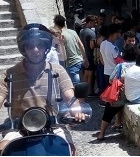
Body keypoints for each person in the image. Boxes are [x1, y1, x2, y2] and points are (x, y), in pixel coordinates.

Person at [0, 24, 86, 153]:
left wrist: (76, 110)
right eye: (30, 46)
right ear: (23, 48)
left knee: (71, 151)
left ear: (46, 47)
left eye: (40, 45)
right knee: (2, 150)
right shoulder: (9, 75)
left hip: (53, 125)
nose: (35, 49)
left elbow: (70, 97)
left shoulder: (57, 70)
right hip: (19, 128)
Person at [96, 44, 137, 140]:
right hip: (134, 95)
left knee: (108, 112)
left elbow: (111, 79)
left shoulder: (120, 66)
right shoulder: (139, 66)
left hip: (119, 96)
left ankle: (101, 134)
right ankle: (118, 123)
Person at [53, 14, 88, 84]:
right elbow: (81, 45)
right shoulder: (72, 32)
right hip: (80, 60)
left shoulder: (60, 36)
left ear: (56, 25)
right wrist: (85, 58)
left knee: (76, 86)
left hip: (71, 63)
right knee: (81, 83)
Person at [79, 15, 98, 95]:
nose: (95, 24)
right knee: (90, 74)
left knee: (86, 73)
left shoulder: (81, 31)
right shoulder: (91, 33)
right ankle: (90, 91)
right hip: (90, 54)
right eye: (94, 22)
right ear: (90, 22)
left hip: (83, 54)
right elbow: (92, 46)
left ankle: (84, 90)